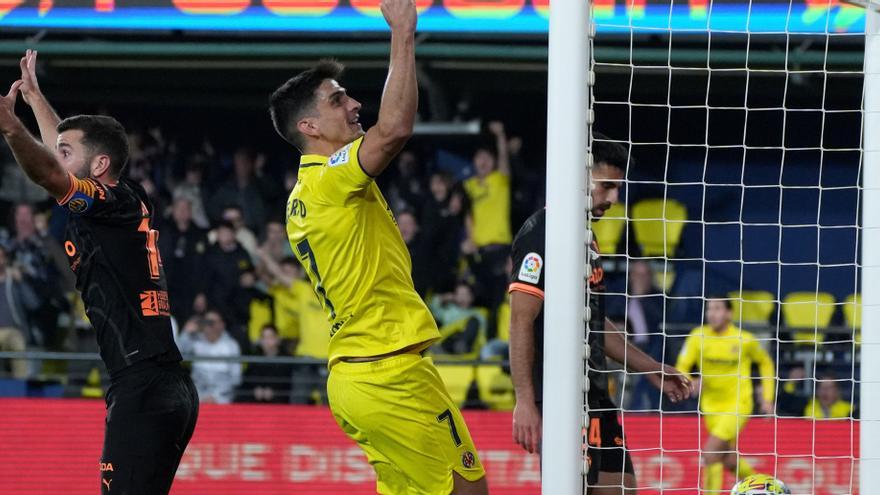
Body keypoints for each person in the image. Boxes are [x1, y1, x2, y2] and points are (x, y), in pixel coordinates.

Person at [268, 1, 488, 492]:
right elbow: (394, 131)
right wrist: (403, 34)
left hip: (361, 375)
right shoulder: (329, 179)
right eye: (338, 99)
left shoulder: (304, 197)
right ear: (310, 128)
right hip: (388, 373)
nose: (353, 105)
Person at [1, 49, 197, 494]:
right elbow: (60, 155)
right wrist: (35, 99)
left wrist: (11, 126)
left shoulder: (108, 203)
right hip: (162, 383)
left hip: (143, 387)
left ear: (99, 166)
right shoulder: (126, 198)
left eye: (68, 152)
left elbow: (51, 173)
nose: (58, 154)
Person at [508, 135, 692, 495]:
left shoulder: (587, 239)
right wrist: (525, 400)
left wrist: (652, 369)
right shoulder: (542, 233)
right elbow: (520, 319)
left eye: (618, 188)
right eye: (606, 185)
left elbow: (594, 323)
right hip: (559, 397)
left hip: (595, 393)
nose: (613, 198)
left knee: (622, 488)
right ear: (579, 178)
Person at [675, 297, 776, 493]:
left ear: (729, 313)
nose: (712, 313)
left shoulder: (744, 339)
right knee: (728, 458)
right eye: (709, 309)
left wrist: (767, 398)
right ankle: (767, 489)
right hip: (711, 406)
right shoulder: (698, 337)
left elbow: (766, 362)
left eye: (718, 308)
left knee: (711, 453)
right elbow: (682, 366)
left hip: (738, 404)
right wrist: (689, 381)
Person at [607, 260, 666, 410]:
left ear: (651, 277)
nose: (640, 278)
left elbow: (660, 321)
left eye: (644, 275)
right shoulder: (617, 297)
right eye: (636, 274)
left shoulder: (659, 299)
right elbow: (610, 318)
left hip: (648, 347)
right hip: (620, 345)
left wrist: (641, 297)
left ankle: (638, 408)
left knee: (657, 353)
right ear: (630, 276)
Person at [177, 310, 242, 404]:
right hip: (197, 397)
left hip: (223, 398)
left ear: (221, 324)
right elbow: (178, 354)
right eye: (205, 322)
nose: (208, 325)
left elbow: (236, 378)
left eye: (211, 322)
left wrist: (215, 396)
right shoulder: (195, 341)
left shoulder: (231, 346)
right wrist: (186, 333)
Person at [238, 324, 293, 404]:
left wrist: (274, 392)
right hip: (257, 399)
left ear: (277, 339)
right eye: (264, 337)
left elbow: (288, 384)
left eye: (270, 337)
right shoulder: (255, 357)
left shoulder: (287, 359)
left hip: (279, 399)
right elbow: (247, 379)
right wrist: (255, 390)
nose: (266, 341)